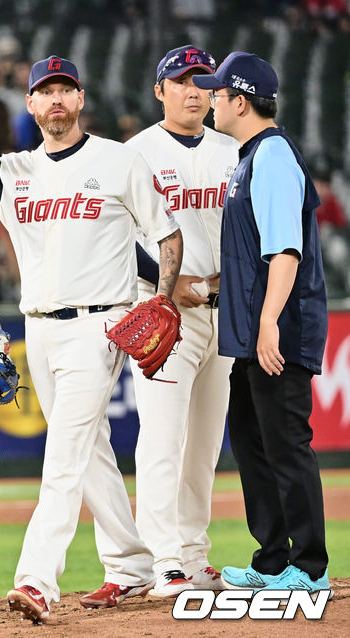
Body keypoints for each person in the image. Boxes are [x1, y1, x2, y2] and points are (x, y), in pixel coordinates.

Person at [0, 55, 183, 623]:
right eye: (45, 92)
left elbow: (166, 234)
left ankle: (36, 579)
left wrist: (160, 298)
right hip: (37, 326)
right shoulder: (12, 170)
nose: (56, 100)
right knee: (89, 454)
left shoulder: (118, 160)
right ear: (31, 105)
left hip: (100, 325)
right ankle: (133, 565)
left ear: (80, 100)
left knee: (62, 453)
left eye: (66, 90)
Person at [192, 52, 331, 596]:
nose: (210, 100)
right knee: (253, 441)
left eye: (218, 93)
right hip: (252, 331)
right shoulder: (252, 156)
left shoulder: (271, 156)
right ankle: (272, 559)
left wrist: (269, 321)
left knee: (286, 443)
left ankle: (310, 568)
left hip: (278, 326)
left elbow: (285, 252)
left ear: (240, 101)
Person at [123, 45, 239, 598]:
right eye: (182, 80)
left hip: (224, 310)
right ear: (160, 90)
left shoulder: (233, 148)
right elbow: (119, 234)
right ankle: (163, 559)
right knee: (163, 439)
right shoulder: (136, 153)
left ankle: (193, 555)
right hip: (165, 312)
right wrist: (174, 285)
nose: (194, 90)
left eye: (204, 82)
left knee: (205, 445)